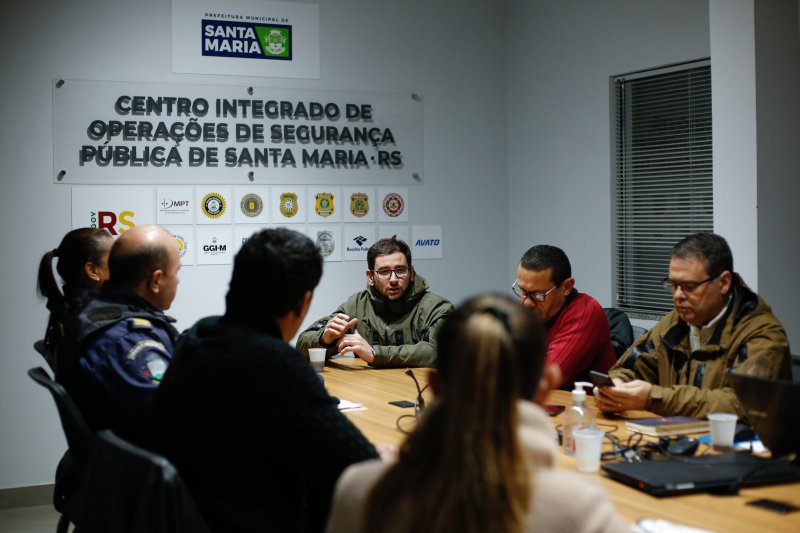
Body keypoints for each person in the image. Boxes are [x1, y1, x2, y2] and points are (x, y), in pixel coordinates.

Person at [325, 294, 628, 533]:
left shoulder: (362, 488)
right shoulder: (579, 507)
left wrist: (385, 472)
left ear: (434, 384)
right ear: (546, 384)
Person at [149, 228, 378, 533]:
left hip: (184, 514)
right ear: (302, 303)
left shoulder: (197, 336)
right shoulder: (274, 362)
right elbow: (359, 461)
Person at [597, 232, 792, 418]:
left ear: (724, 282)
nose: (678, 296)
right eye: (673, 285)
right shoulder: (675, 322)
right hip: (677, 439)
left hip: (741, 447)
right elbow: (630, 367)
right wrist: (616, 387)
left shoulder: (762, 333)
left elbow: (740, 404)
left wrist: (653, 398)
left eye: (689, 287)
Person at [61, 224, 181, 440]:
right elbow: (172, 422)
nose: (178, 280)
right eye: (176, 271)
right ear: (156, 280)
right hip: (147, 468)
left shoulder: (101, 312)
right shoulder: (127, 340)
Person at [296, 237, 453, 367]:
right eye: (384, 272)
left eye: (400, 270)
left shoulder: (436, 307)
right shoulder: (356, 305)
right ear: (370, 277)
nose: (393, 279)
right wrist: (324, 339)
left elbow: (436, 352)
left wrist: (375, 353)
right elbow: (302, 343)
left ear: (411, 273)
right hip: (372, 391)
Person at [514, 245, 616, 388]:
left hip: (585, 406)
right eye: (522, 291)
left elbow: (544, 379)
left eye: (538, 295)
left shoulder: (586, 311)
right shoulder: (525, 309)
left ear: (566, 287)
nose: (527, 303)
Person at [36, 228, 113, 369]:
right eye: (114, 259)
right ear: (93, 271)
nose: (122, 265)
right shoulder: (95, 320)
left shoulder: (70, 310)